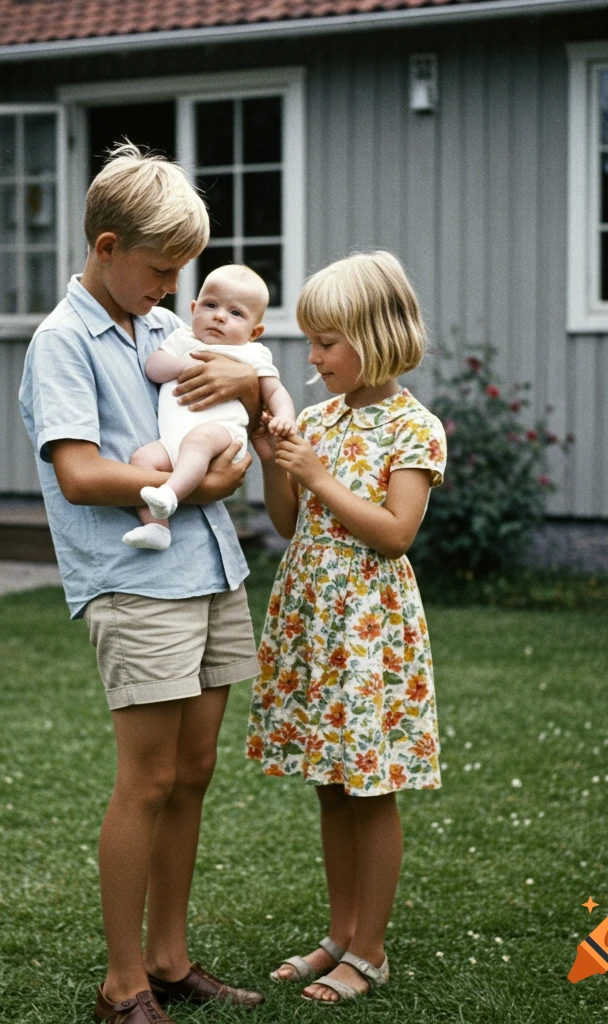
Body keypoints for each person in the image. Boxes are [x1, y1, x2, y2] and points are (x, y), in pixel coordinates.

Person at [18, 143, 267, 1024]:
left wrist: (242, 395)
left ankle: (169, 959)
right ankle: (122, 986)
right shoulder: (60, 342)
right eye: (161, 270)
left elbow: (233, 388)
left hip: (210, 568)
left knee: (194, 770)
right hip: (134, 579)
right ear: (109, 245)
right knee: (147, 779)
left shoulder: (161, 327)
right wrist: (198, 482)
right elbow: (81, 474)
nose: (172, 288)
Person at [246, 251, 447, 1004]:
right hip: (315, 621)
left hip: (370, 629)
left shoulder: (413, 428)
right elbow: (289, 523)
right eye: (310, 342)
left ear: (376, 335)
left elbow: (396, 533)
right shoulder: (319, 421)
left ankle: (370, 950)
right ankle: (339, 932)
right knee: (331, 784)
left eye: (327, 341)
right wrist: (276, 465)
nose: (313, 357)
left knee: (371, 788)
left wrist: (321, 476)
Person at [123, 264, 296, 551]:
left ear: (255, 331)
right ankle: (157, 529)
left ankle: (169, 495)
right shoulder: (181, 340)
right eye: (211, 304)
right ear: (193, 309)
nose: (219, 316)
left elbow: (274, 391)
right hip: (172, 441)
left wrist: (285, 417)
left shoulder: (251, 353)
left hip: (221, 437)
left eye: (235, 313)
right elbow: (154, 367)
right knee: (142, 459)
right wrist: (183, 364)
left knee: (198, 441)